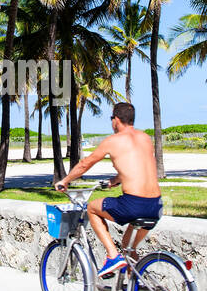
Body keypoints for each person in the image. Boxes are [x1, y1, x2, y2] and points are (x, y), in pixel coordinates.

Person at [54, 101, 162, 279]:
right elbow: (139, 167)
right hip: (156, 205)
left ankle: (112, 255)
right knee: (128, 245)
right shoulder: (145, 138)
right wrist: (114, 181)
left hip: (134, 204)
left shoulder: (112, 141)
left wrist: (65, 181)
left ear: (116, 119)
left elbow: (84, 164)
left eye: (111, 118)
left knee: (92, 208)